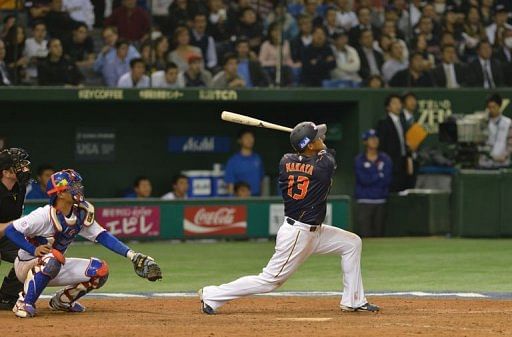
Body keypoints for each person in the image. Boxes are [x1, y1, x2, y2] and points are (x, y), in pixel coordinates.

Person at [199, 122, 379, 314]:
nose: (322, 139)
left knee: (351, 243)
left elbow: (305, 152)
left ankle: (353, 299)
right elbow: (325, 153)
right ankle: (213, 295)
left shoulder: (285, 161)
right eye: (318, 137)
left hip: (314, 230)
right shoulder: (324, 166)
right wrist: (308, 138)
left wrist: (305, 136)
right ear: (309, 146)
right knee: (270, 280)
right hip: (298, 234)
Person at [0, 169, 162, 318]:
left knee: (99, 270)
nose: (78, 189)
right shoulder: (43, 215)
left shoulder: (80, 214)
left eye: (78, 185)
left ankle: (63, 300)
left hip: (53, 264)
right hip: (26, 265)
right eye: (73, 186)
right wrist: (33, 249)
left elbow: (102, 236)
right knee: (54, 258)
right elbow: (11, 230)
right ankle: (24, 302)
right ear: (61, 193)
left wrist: (132, 255)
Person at [0, 148, 31, 310]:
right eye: (18, 166)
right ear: (5, 172)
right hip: (5, 231)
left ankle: (6, 296)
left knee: (31, 254)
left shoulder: (20, 187)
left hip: (6, 234)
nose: (23, 169)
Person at [354, 129, 392, 237]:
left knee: (380, 234)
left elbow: (387, 179)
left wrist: (374, 176)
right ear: (365, 141)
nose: (374, 141)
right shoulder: (359, 160)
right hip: (365, 201)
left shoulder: (385, 158)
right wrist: (379, 174)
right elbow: (363, 180)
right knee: (365, 234)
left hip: (381, 200)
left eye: (375, 138)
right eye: (371, 139)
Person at [376, 94, 410, 192]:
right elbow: (382, 145)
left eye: (399, 103)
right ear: (388, 107)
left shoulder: (403, 122)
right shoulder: (383, 123)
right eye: (394, 103)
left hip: (403, 163)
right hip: (391, 163)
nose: (398, 106)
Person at [224, 129, 264, 196]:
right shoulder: (233, 161)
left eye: (251, 137)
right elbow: (230, 184)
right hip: (240, 200)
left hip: (256, 198)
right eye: (246, 137)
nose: (250, 140)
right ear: (239, 140)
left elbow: (261, 180)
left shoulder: (257, 158)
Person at [479, 94, 512, 169]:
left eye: (494, 107)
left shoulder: (508, 122)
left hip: (502, 163)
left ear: (499, 107)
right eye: (489, 107)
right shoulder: (483, 122)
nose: (491, 110)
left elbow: (511, 143)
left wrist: (505, 155)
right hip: (485, 163)